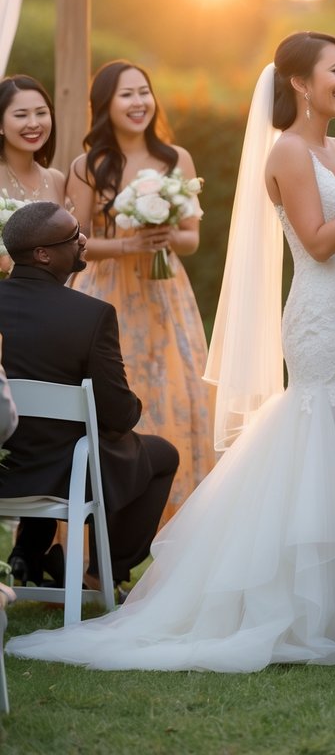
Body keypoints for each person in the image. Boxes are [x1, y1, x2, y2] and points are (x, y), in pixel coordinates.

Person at [8, 32, 335, 671]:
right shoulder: (289, 152)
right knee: (314, 433)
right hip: (318, 317)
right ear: (300, 82)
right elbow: (317, 245)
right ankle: (294, 601)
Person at [0, 201, 178, 590]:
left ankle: (30, 555)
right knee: (160, 454)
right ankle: (103, 574)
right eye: (72, 236)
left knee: (62, 439)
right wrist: (132, 409)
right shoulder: (91, 315)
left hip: (4, 469)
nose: (83, 240)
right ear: (43, 254)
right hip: (64, 474)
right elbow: (118, 415)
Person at [66, 60, 213, 517]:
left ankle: (178, 529)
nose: (138, 103)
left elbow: (192, 238)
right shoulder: (88, 165)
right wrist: (130, 244)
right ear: (105, 105)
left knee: (174, 392)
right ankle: (106, 539)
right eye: (126, 94)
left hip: (166, 296)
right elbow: (78, 245)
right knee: (114, 398)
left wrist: (165, 236)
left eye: (144, 92)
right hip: (106, 295)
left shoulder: (176, 159)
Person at [0, 75, 65, 274]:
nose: (34, 123)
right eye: (21, 115)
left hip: (48, 298)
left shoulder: (57, 179)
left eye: (41, 113)